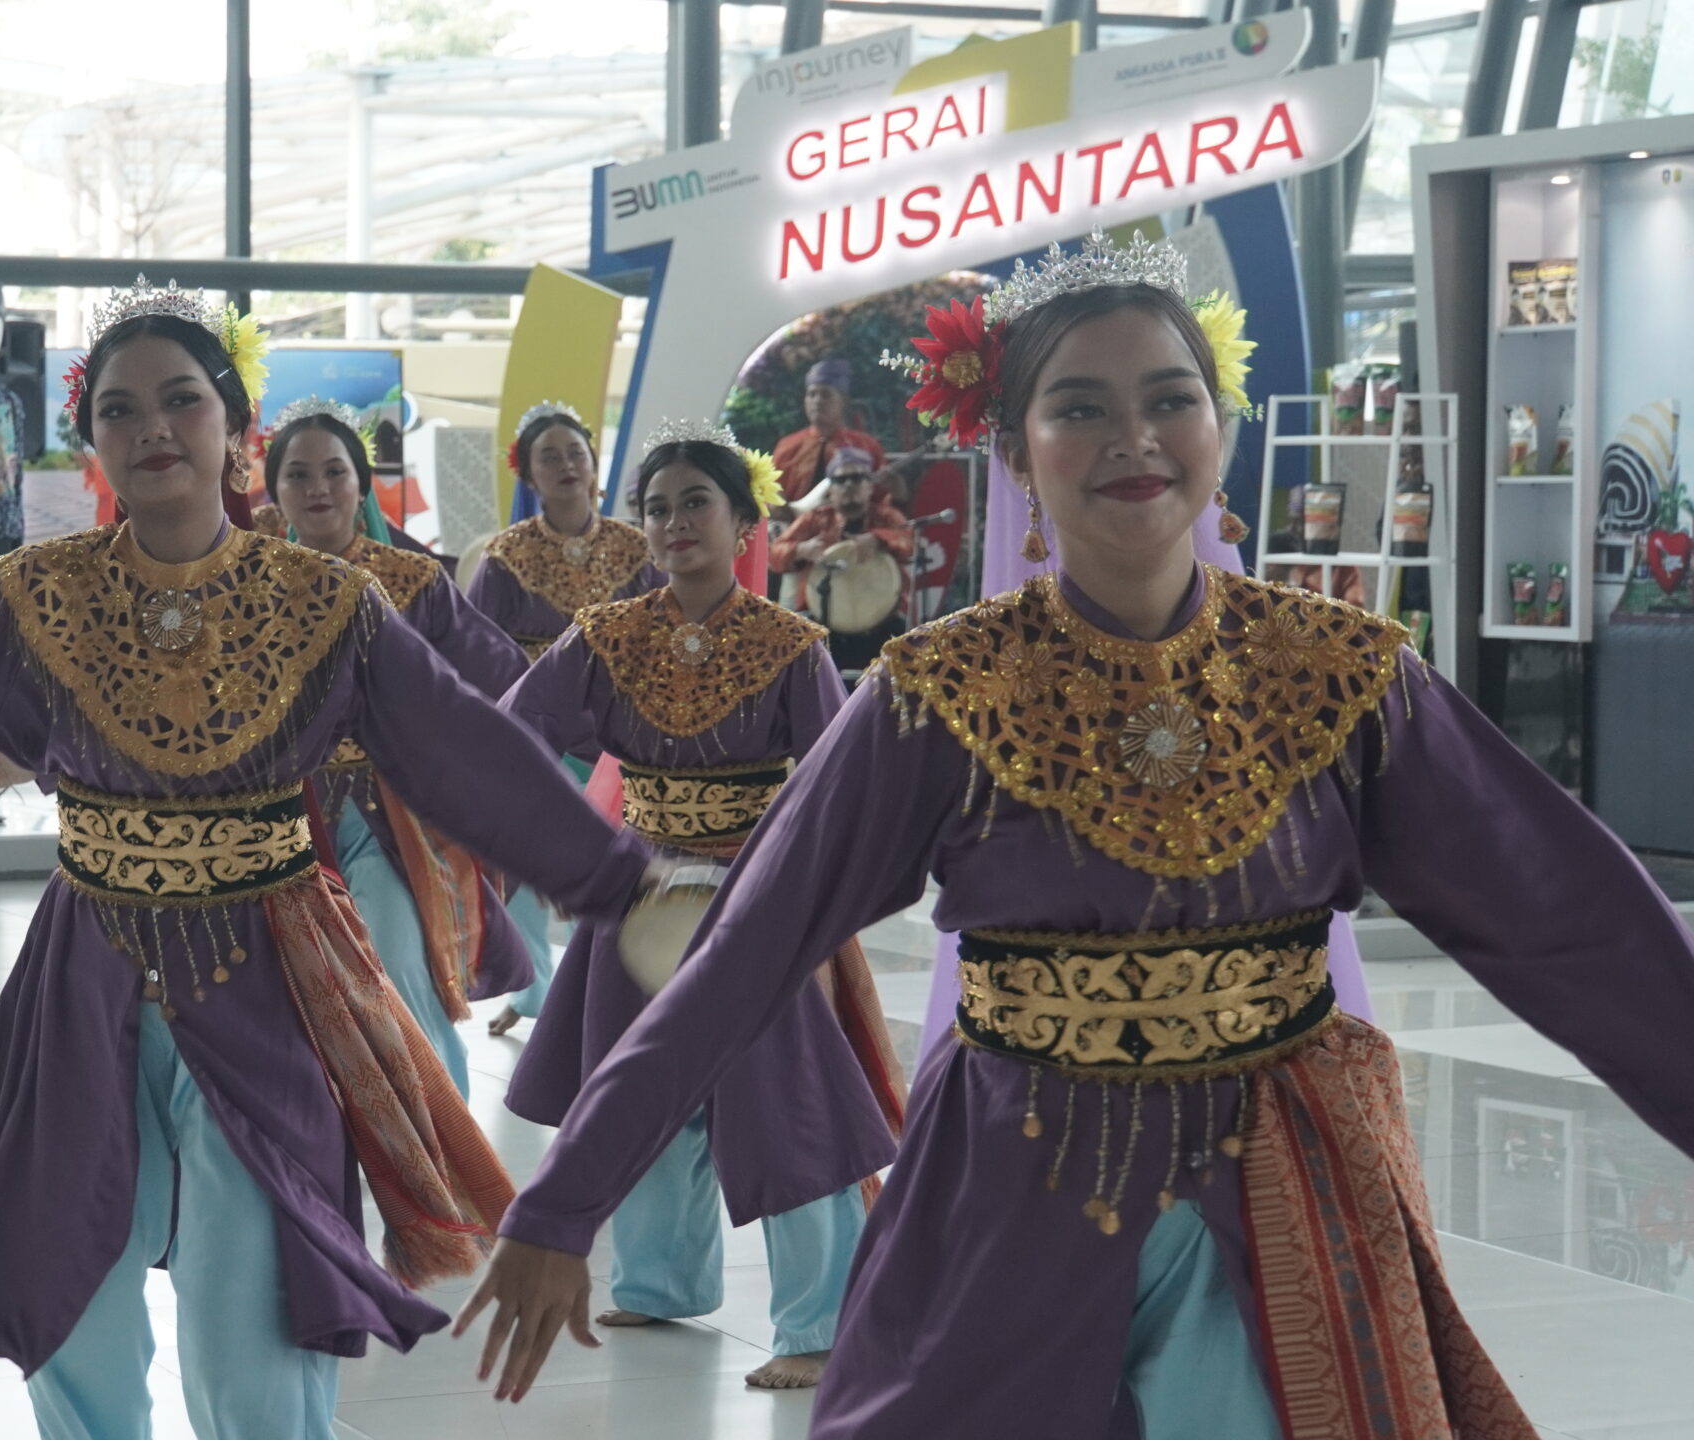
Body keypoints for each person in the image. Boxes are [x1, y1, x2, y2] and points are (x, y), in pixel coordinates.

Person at [454, 235, 1694, 1437]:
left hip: (1282, 1188)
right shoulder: (940, 694)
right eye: (1081, 408)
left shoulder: (1340, 674)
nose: (1133, 437)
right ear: (1015, 450)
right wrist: (563, 1203)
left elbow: (1567, 916)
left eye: (1168, 399)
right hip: (1015, 1185)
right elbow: (748, 947)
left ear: (1219, 427)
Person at [0, 280, 657, 1440]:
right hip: (84, 976)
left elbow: (467, 752)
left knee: (254, 1320)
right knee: (69, 1305)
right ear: (91, 441)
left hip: (273, 980)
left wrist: (621, 886)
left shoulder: (325, 605)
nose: (153, 430)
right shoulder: (33, 600)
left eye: (182, 401)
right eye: (120, 410)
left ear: (235, 428)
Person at [497, 419, 903, 1392]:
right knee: (635, 1091)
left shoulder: (790, 646)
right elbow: (509, 733)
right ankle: (660, 1282)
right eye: (657, 508)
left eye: (696, 504)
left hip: (754, 902)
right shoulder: (606, 635)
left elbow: (840, 785)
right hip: (639, 899)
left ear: (744, 523)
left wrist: (798, 902)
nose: (675, 522)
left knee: (783, 1108)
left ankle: (820, 1323)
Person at [264, 396, 534, 1097]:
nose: (318, 488)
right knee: (291, 1001)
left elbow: (506, 677)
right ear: (274, 491)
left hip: (393, 820)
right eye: (298, 475)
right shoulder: (246, 586)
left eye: (334, 471)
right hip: (276, 820)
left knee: (402, 976)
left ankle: (442, 1149)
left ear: (362, 483)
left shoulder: (413, 582)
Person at [467, 401, 664, 1038]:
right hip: (536, 737)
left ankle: (605, 996)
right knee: (525, 873)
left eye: (575, 452)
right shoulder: (506, 557)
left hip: (616, 734)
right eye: (548, 456)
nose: (565, 465)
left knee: (614, 867)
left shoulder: (636, 550)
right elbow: (477, 649)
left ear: (594, 463)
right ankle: (538, 994)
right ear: (529, 474)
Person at [769, 444, 915, 669]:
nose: (849, 485)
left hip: (882, 623)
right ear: (830, 489)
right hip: (821, 622)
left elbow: (909, 542)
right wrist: (801, 550)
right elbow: (773, 554)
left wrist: (878, 538)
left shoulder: (887, 517)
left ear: (869, 486)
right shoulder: (815, 520)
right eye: (840, 480)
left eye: (857, 478)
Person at [768, 357, 890, 505]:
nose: (817, 401)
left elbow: (883, 499)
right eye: (812, 394)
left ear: (843, 400)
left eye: (825, 394)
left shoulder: (867, 446)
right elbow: (770, 495)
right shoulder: (787, 446)